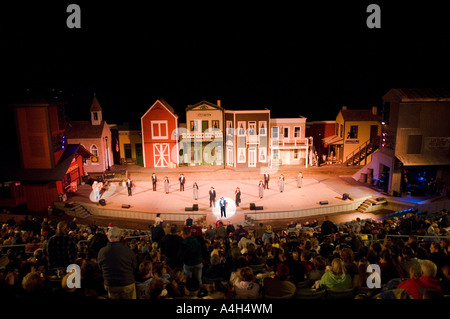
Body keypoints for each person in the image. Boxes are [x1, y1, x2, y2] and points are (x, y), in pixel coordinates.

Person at [97, 226, 138, 299]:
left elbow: (100, 267)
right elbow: (134, 266)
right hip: (127, 284)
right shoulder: (128, 251)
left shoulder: (102, 252)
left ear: (108, 236)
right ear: (120, 236)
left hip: (110, 285)